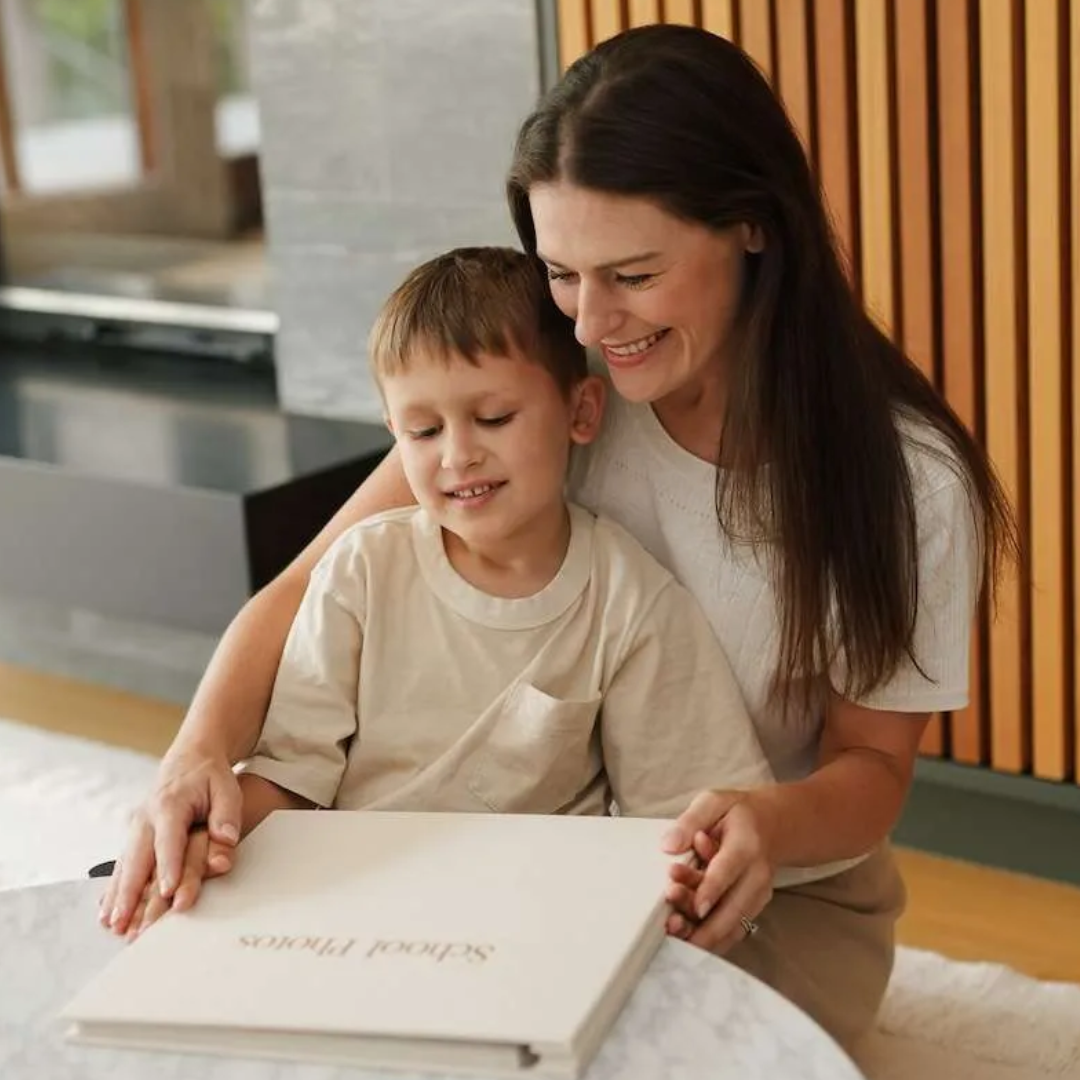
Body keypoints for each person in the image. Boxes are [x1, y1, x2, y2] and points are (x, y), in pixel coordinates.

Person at [101, 25, 1016, 1048]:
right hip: (521, 862)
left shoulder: (905, 483)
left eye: (631, 274)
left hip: (758, 896)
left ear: (754, 228)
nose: (589, 322)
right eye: (562, 274)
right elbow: (300, 591)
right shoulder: (553, 395)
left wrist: (767, 823)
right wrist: (193, 759)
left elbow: (872, 773)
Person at [113, 244, 775, 934]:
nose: (458, 456)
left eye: (493, 419)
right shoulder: (361, 570)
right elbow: (290, 777)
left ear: (581, 412)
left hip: (526, 916)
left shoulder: (631, 601)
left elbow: (671, 819)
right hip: (356, 908)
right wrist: (201, 843)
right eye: (424, 431)